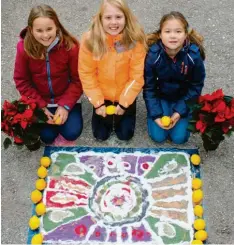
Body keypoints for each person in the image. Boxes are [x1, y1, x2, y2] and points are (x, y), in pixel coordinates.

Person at [13, 4, 83, 144]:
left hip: (65, 97)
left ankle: (69, 110)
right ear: (31, 30)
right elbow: (22, 80)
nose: (45, 35)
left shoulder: (70, 47)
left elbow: (78, 80)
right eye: (39, 30)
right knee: (46, 136)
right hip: (40, 100)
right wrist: (40, 106)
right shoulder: (24, 49)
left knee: (71, 133)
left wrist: (65, 106)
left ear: (57, 26)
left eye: (49, 29)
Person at [78, 0, 147, 141]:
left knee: (125, 135)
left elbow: (137, 76)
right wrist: (98, 103)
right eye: (108, 18)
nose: (113, 22)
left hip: (125, 94)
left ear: (126, 18)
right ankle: (101, 110)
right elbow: (87, 74)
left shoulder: (135, 40)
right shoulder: (90, 40)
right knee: (100, 135)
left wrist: (124, 103)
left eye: (118, 17)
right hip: (102, 95)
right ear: (100, 18)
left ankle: (128, 110)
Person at [143, 11, 206, 144]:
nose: (173, 36)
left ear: (185, 35)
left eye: (178, 31)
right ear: (160, 35)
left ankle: (183, 114)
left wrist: (178, 113)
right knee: (158, 137)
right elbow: (149, 88)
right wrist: (156, 115)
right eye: (168, 31)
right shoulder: (153, 56)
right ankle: (153, 116)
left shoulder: (194, 57)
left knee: (179, 139)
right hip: (161, 97)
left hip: (183, 98)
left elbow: (195, 87)